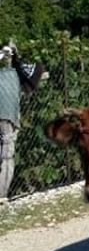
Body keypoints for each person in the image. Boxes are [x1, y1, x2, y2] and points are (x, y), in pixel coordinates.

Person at [0, 43, 45, 202]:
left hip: (6, 112)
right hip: (6, 114)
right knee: (7, 155)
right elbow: (35, 70)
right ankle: (1, 194)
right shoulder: (15, 73)